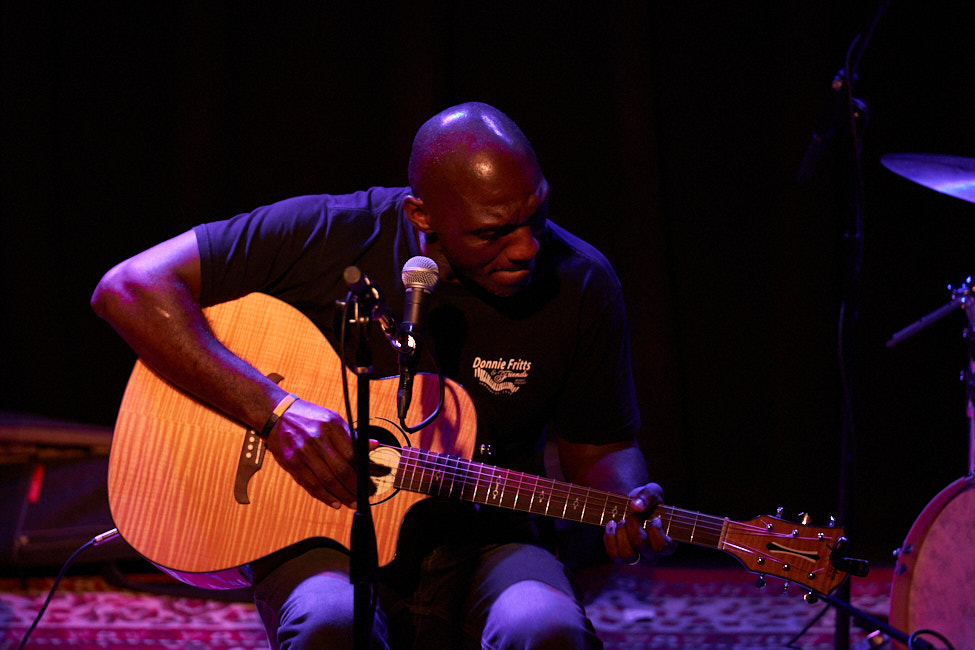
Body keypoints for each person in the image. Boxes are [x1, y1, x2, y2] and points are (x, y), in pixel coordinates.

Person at [91, 101, 674, 649]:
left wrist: (626, 499)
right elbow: (128, 288)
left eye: (536, 214)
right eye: (491, 233)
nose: (526, 247)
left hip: (489, 533)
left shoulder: (582, 282)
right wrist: (273, 411)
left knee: (545, 628)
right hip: (316, 532)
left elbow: (602, 447)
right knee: (329, 623)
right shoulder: (326, 233)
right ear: (422, 214)